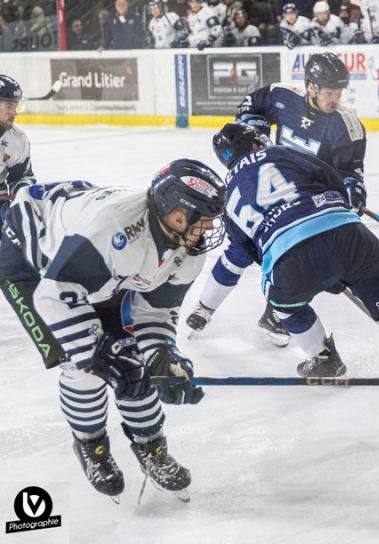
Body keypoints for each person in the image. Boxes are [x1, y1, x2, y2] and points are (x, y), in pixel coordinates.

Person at [210, 122, 379, 404]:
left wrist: (308, 267)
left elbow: (247, 250)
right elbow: (331, 179)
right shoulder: (282, 152)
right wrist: (337, 235)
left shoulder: (226, 195)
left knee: (281, 303)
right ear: (256, 144)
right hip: (349, 235)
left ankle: (322, 358)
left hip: (287, 259)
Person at [0, 159, 226, 501]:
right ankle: (91, 445)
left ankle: (152, 447)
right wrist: (99, 353)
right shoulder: (116, 229)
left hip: (97, 268)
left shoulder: (186, 249)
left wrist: (162, 354)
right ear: (178, 215)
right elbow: (54, 295)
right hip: (30, 259)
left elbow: (156, 309)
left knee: (135, 362)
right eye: (204, 220)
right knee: (84, 366)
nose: (208, 229)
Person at [186, 53, 365, 348]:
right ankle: (204, 308)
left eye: (339, 93)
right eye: (330, 93)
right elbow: (251, 106)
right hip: (272, 187)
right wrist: (253, 133)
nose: (336, 99)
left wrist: (353, 196)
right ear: (311, 87)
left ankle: (276, 314)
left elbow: (351, 173)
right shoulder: (281, 96)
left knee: (296, 255)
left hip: (309, 198)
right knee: (241, 249)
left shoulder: (347, 127)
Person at [0, 75, 35, 227]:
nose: (14, 113)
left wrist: (23, 192)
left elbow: (21, 177)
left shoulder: (17, 140)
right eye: (8, 106)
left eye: (16, 106)